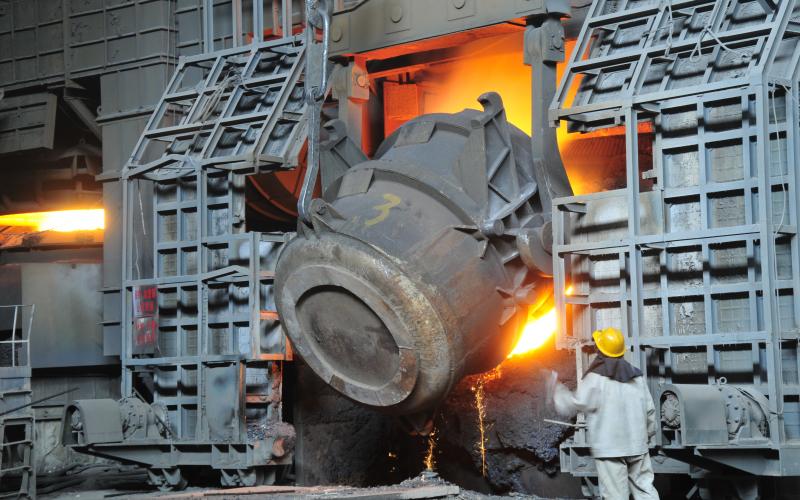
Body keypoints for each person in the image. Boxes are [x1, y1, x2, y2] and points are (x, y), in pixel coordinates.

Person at [548, 327, 659, 500]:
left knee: (616, 496)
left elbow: (576, 402)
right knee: (646, 491)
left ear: (600, 350)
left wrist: (557, 391)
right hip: (638, 446)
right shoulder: (637, 377)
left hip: (610, 450)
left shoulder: (595, 378)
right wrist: (648, 436)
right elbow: (650, 411)